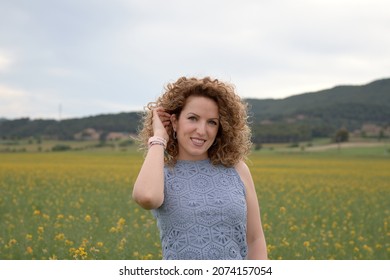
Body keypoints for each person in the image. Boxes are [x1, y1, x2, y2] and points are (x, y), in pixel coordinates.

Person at [133, 76, 267, 260]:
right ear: (174, 122)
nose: (202, 130)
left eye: (212, 122)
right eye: (193, 118)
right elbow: (147, 197)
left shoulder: (238, 169)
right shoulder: (161, 172)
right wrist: (158, 138)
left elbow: (255, 239)